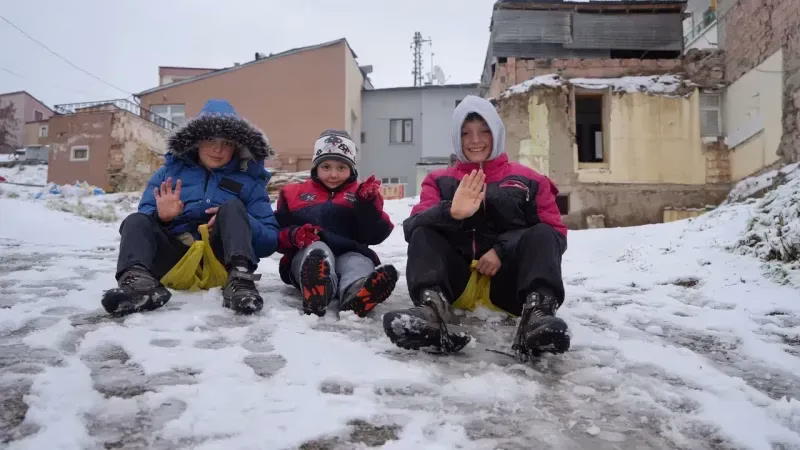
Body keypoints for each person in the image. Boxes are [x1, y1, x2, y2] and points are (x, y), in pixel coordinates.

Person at [382, 95, 570, 358]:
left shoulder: (529, 180)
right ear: (456, 138)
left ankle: (538, 315)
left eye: (484, 131)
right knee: (424, 230)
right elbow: (412, 228)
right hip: (455, 286)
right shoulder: (439, 180)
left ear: (497, 134)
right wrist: (451, 211)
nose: (475, 140)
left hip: (510, 287)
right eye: (465, 133)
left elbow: (555, 234)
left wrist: (502, 250)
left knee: (543, 233)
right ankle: (431, 310)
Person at [101, 99, 279, 316]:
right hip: (173, 263)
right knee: (135, 220)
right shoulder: (167, 174)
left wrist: (238, 221)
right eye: (210, 139)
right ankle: (138, 284)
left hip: (223, 265)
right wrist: (161, 217)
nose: (218, 149)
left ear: (237, 147)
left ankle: (241, 283)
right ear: (196, 141)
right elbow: (144, 224)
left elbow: (270, 241)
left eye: (228, 143)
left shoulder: (250, 182)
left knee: (232, 206)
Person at [275, 129, 397, 317]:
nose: (333, 174)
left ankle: (357, 294)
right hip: (307, 255)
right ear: (316, 167)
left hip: (350, 251)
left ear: (352, 169)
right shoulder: (294, 193)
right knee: (317, 252)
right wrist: (294, 235)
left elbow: (376, 235)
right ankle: (318, 288)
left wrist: (367, 206)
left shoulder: (361, 194)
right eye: (326, 167)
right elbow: (276, 232)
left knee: (357, 263)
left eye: (341, 168)